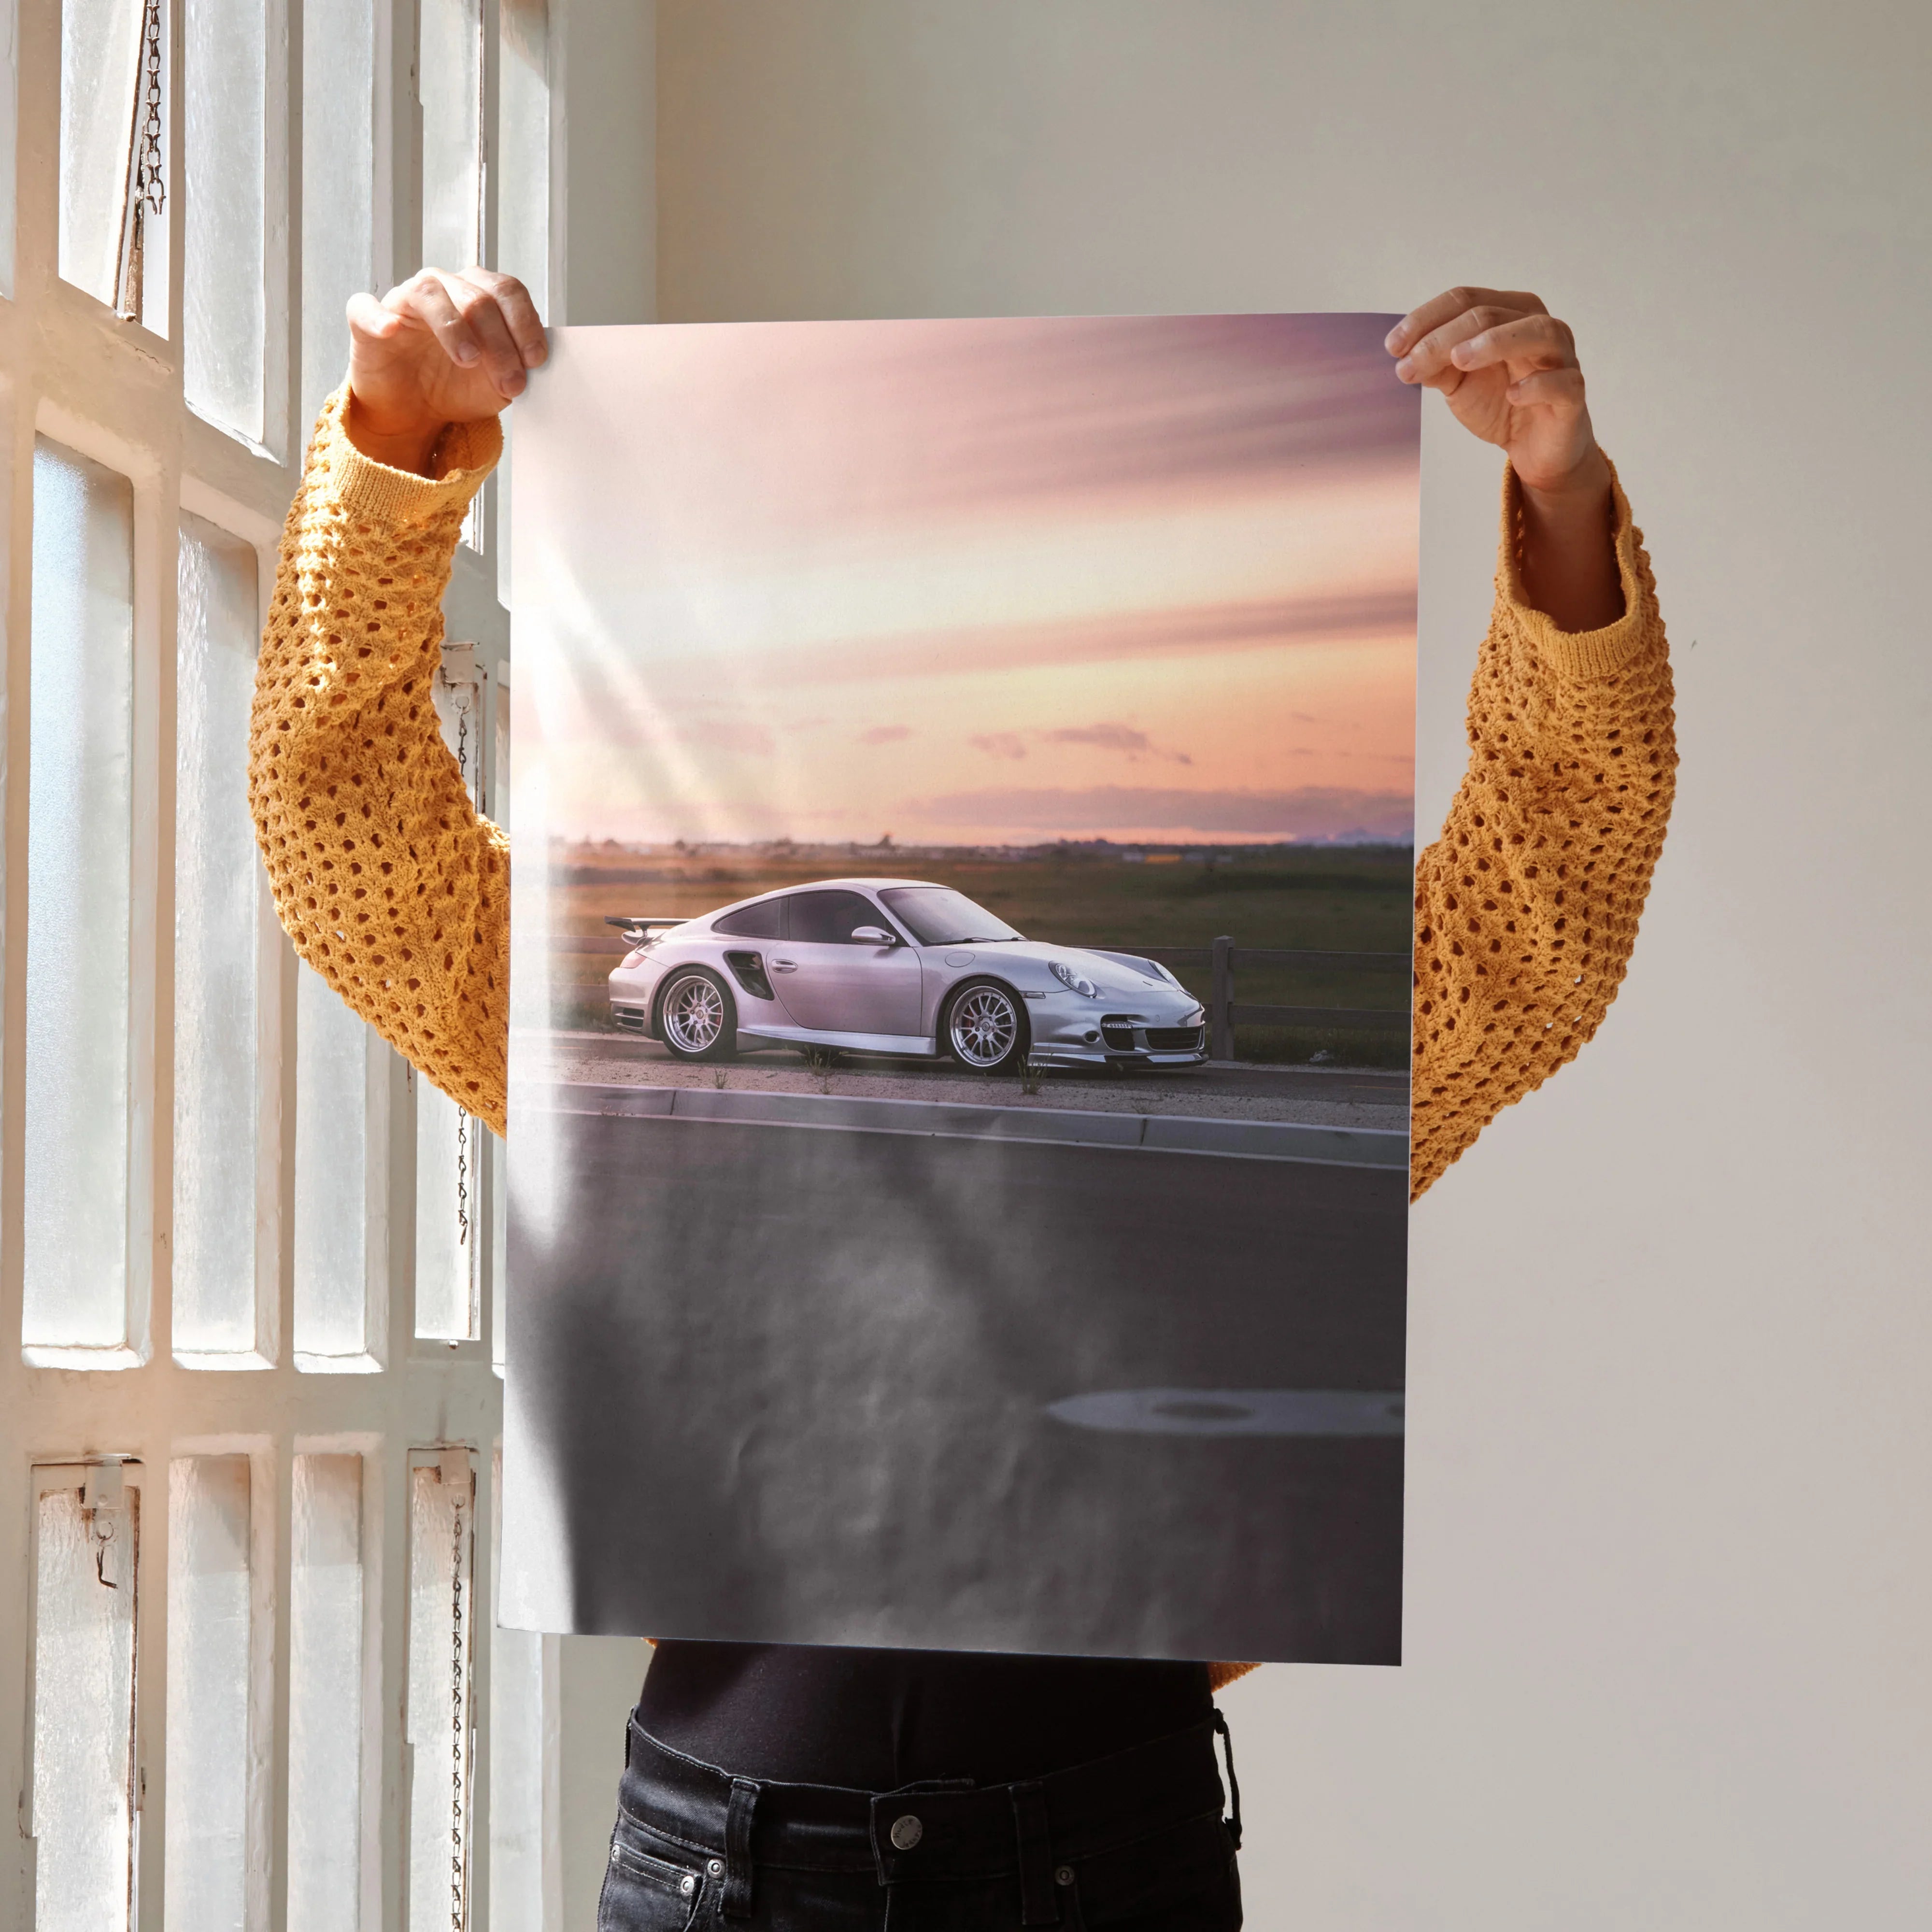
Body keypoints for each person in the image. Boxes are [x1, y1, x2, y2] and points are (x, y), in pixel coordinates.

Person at [250, 270, 1675, 1930]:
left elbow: (1542, 912)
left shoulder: (1121, 1047)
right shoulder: (634, 1058)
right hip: (729, 1861)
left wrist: (1561, 500)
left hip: (1104, 1850)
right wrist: (392, 447)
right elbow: (349, 844)